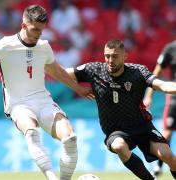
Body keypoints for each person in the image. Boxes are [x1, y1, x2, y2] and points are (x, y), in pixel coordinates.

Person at [0, 5, 93, 180]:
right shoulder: (5, 45)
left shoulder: (43, 46)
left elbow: (56, 71)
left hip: (43, 101)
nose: (38, 34)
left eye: (41, 31)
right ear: (24, 25)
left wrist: (79, 89)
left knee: (70, 138)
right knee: (32, 132)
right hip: (18, 104)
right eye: (35, 30)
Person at [66, 39, 176, 180]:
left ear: (125, 56)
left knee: (168, 156)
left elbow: (163, 86)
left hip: (142, 125)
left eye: (115, 56)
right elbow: (64, 73)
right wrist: (77, 88)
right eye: (107, 56)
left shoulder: (138, 72)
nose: (110, 60)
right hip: (115, 129)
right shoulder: (94, 70)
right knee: (119, 146)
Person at [144, 40, 176, 177]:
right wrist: (148, 95)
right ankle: (158, 166)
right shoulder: (170, 48)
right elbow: (157, 70)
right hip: (174, 94)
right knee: (167, 132)